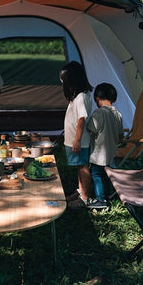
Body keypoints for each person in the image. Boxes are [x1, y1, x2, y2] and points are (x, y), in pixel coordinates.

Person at [59, 61, 96, 209]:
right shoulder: (80, 94)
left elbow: (82, 119)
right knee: (79, 166)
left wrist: (77, 140)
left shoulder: (81, 97)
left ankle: (85, 198)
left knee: (83, 167)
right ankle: (80, 192)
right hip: (74, 139)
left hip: (79, 140)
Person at [86, 83, 124, 209]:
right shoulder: (118, 114)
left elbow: (92, 129)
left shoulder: (99, 113)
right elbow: (120, 136)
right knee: (108, 174)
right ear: (114, 98)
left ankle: (100, 199)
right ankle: (108, 194)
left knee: (96, 175)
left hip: (98, 154)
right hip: (111, 153)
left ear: (97, 98)